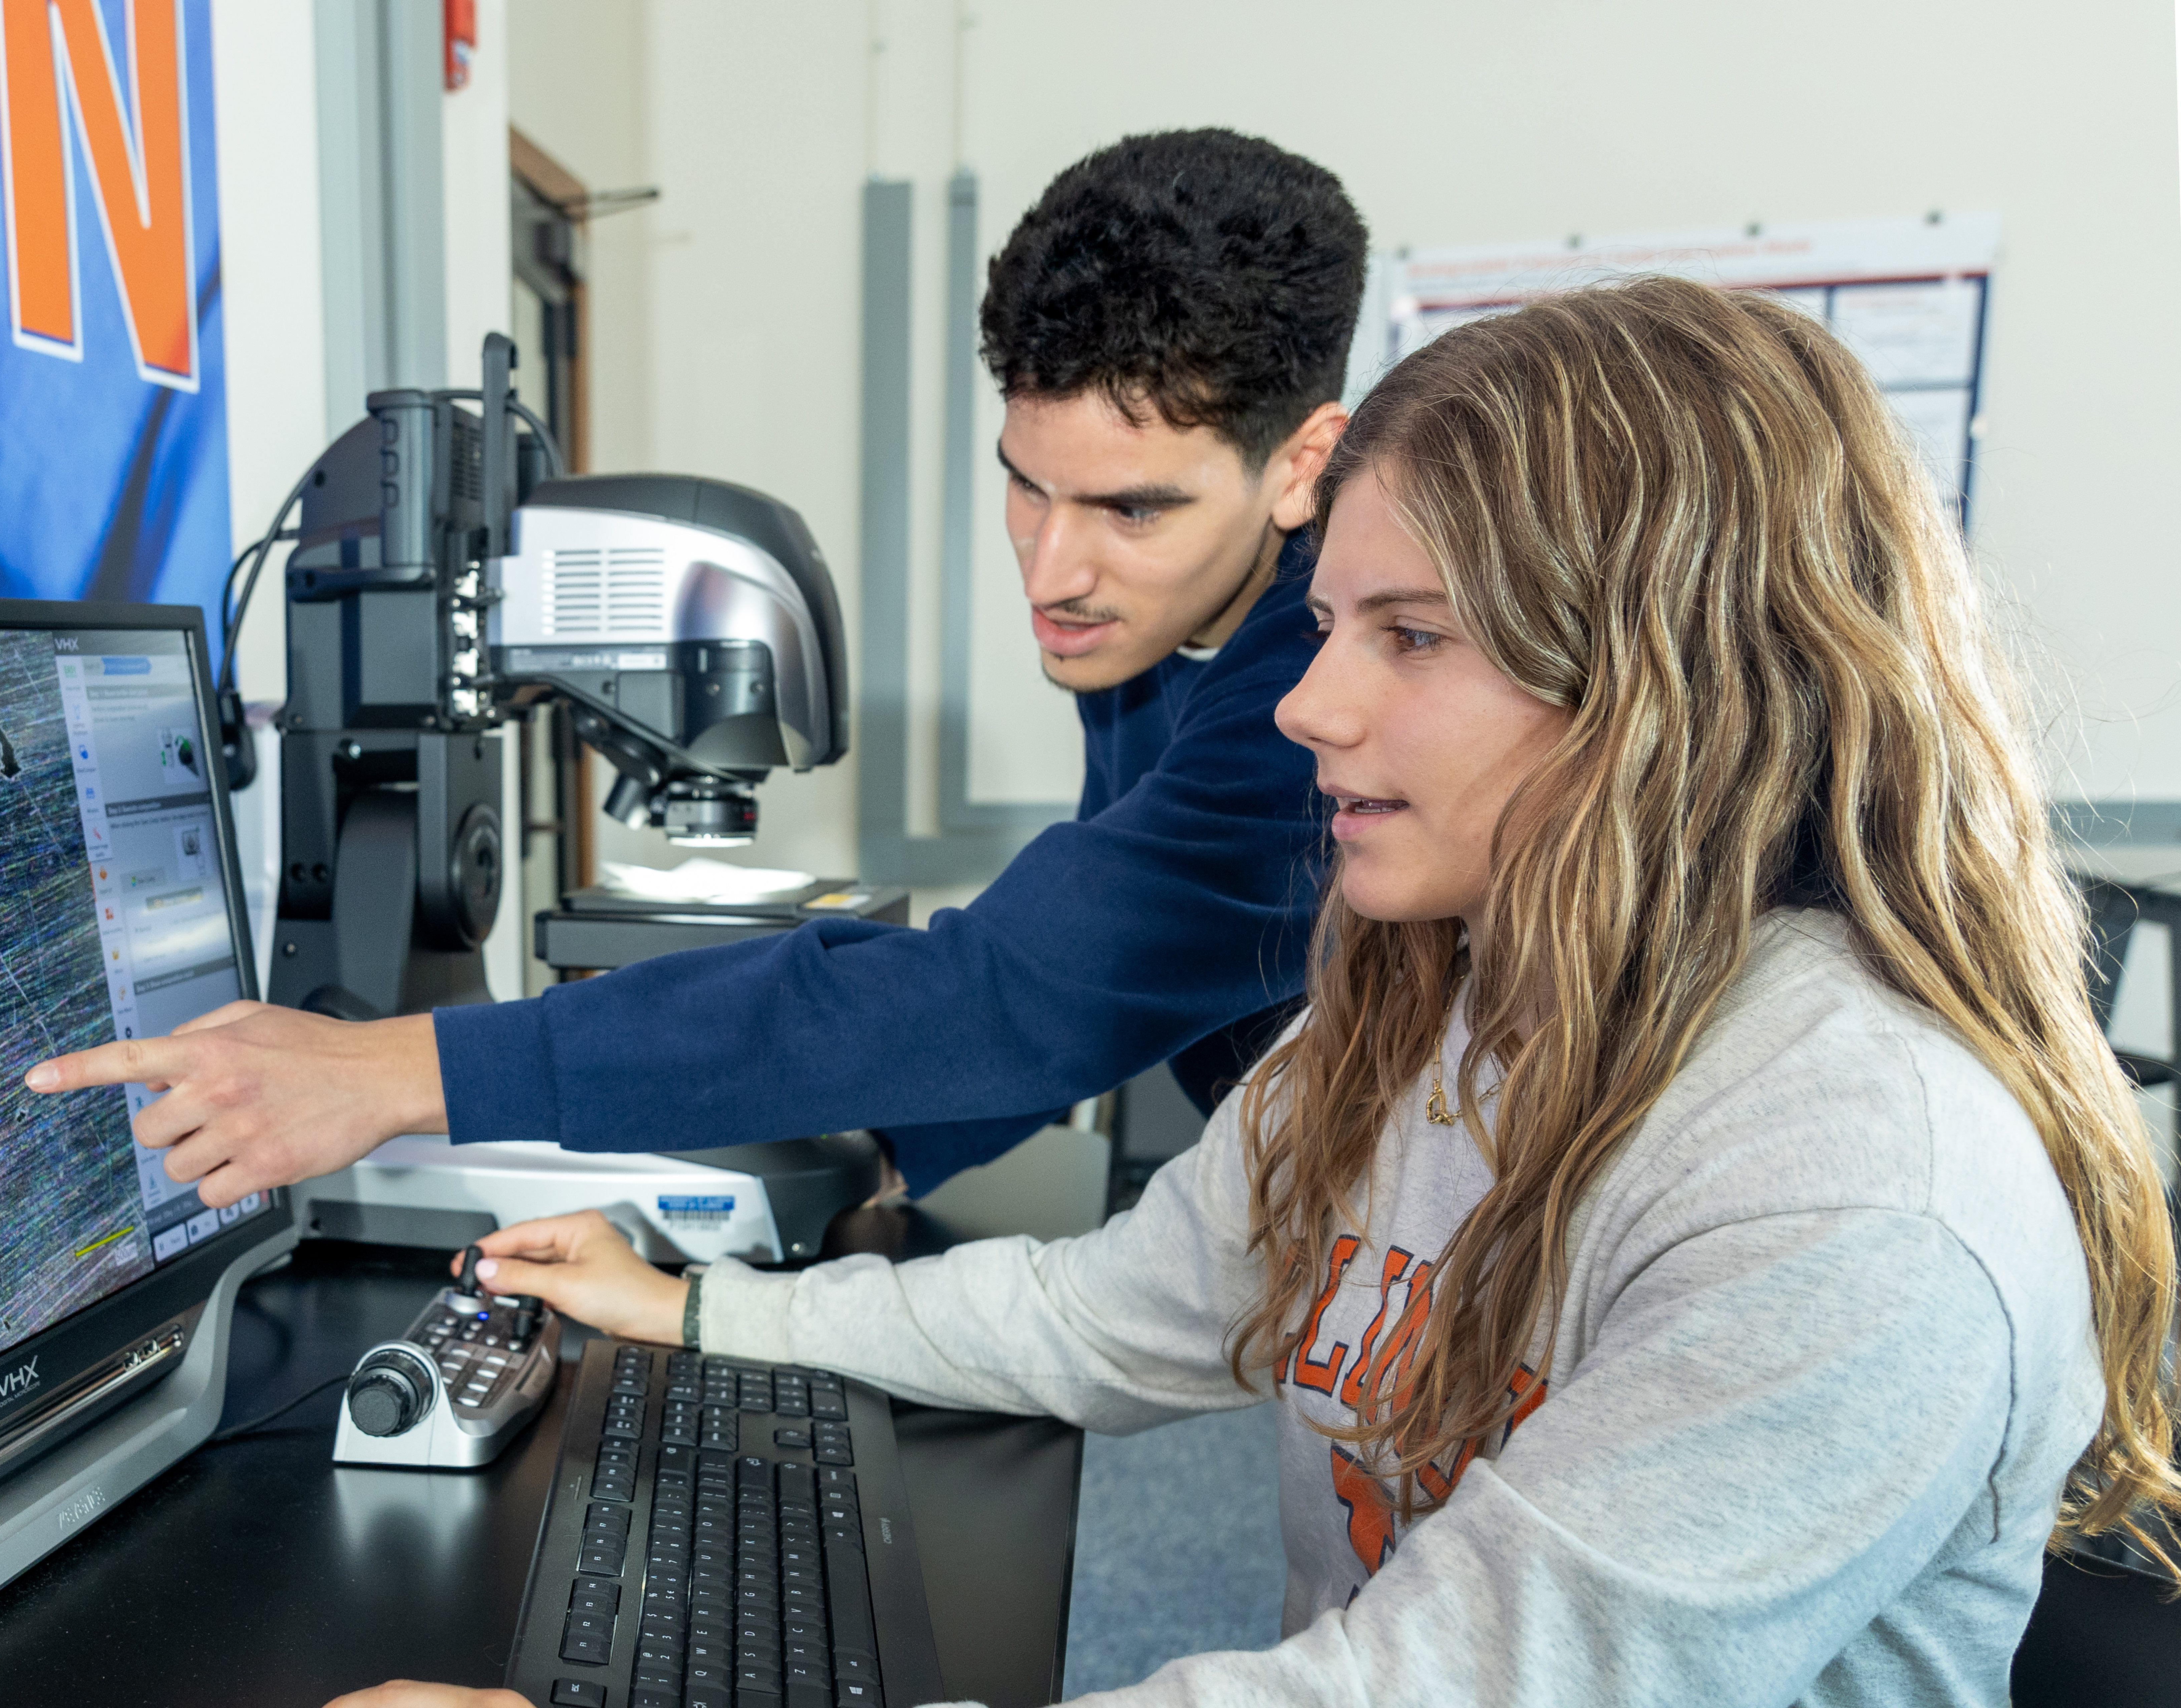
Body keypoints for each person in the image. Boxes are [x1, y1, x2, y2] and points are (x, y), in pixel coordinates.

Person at [317, 277, 2181, 1708]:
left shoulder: (1852, 1190)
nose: (1303, 705)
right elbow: (1110, 1315)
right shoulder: (1437, 1002)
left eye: (1412, 637)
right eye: (1329, 623)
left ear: (1675, 688)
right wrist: (701, 1311)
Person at [23, 130, 1367, 1200]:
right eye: (1027, 484)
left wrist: (391, 1072)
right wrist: (881, 1155)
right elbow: (1096, 970)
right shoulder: (1153, 616)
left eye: (1130, 508)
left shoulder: (1329, 695)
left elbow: (1015, 993)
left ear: (1302, 462)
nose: (1052, 568)